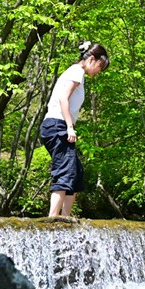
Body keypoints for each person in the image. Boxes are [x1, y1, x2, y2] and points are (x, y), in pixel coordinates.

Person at [39, 42, 109, 218]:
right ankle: (52, 220)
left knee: (76, 173)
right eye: (100, 66)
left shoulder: (76, 73)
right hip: (58, 125)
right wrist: (70, 127)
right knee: (65, 170)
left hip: (56, 125)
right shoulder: (77, 71)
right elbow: (63, 99)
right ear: (91, 59)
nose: (99, 71)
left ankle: (65, 217)